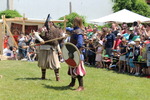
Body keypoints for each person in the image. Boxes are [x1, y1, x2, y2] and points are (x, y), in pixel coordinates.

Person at [34, 17, 62, 81]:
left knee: (55, 64)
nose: (50, 23)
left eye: (51, 22)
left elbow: (56, 41)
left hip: (52, 49)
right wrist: (40, 39)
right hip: (43, 48)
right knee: (43, 64)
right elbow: (36, 34)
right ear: (47, 22)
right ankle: (43, 76)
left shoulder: (56, 30)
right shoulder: (43, 28)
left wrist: (59, 50)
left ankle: (57, 78)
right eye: (49, 22)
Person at [67, 17, 86, 91]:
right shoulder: (74, 30)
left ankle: (81, 86)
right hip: (73, 52)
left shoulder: (79, 32)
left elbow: (80, 44)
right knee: (72, 67)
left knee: (78, 70)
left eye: (74, 21)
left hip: (77, 53)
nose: (73, 22)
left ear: (77, 22)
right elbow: (69, 29)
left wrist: (73, 49)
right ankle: (72, 83)